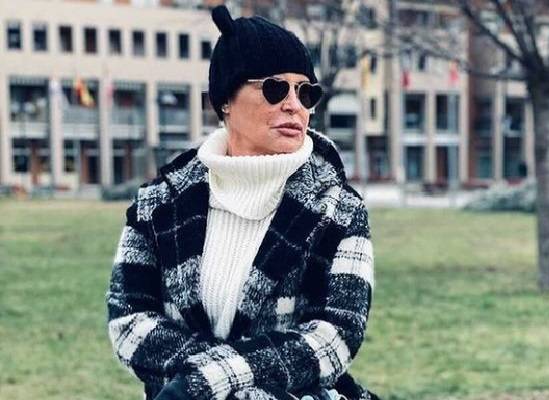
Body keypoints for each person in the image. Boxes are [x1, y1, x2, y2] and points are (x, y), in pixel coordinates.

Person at [106, 6, 377, 400]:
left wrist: (209, 382)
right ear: (225, 101)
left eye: (306, 92)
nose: (294, 105)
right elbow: (129, 321)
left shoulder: (339, 209)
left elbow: (335, 337)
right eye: (275, 88)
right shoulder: (158, 204)